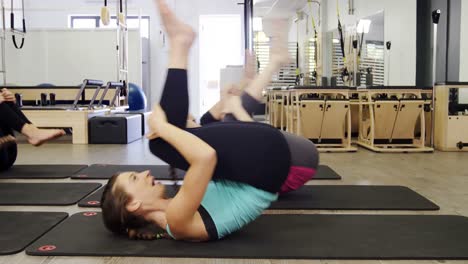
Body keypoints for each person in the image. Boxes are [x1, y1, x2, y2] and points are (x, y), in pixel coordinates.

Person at [100, 0, 319, 242]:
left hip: (264, 162)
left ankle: (181, 43)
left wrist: (188, 127)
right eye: (134, 179)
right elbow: (205, 157)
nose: (144, 173)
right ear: (133, 205)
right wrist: (162, 126)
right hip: (268, 163)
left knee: (174, 138)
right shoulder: (176, 221)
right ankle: (179, 44)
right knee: (161, 143)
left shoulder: (176, 207)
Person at [0, 88, 65, 171]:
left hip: (8, 156)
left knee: (5, 99)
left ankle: (33, 131)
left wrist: (10, 100)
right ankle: (33, 133)